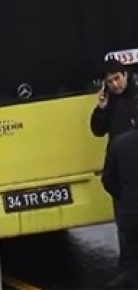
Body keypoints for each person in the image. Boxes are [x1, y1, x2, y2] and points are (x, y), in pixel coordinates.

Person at [93, 58, 138, 288]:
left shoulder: (135, 98)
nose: (115, 84)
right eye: (110, 81)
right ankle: (129, 268)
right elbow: (97, 130)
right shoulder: (109, 103)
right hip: (121, 168)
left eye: (117, 78)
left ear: (126, 75)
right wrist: (100, 109)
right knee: (125, 221)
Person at [103, 109, 138, 288]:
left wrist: (124, 196)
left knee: (132, 261)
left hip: (130, 213)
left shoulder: (118, 144)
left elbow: (108, 180)